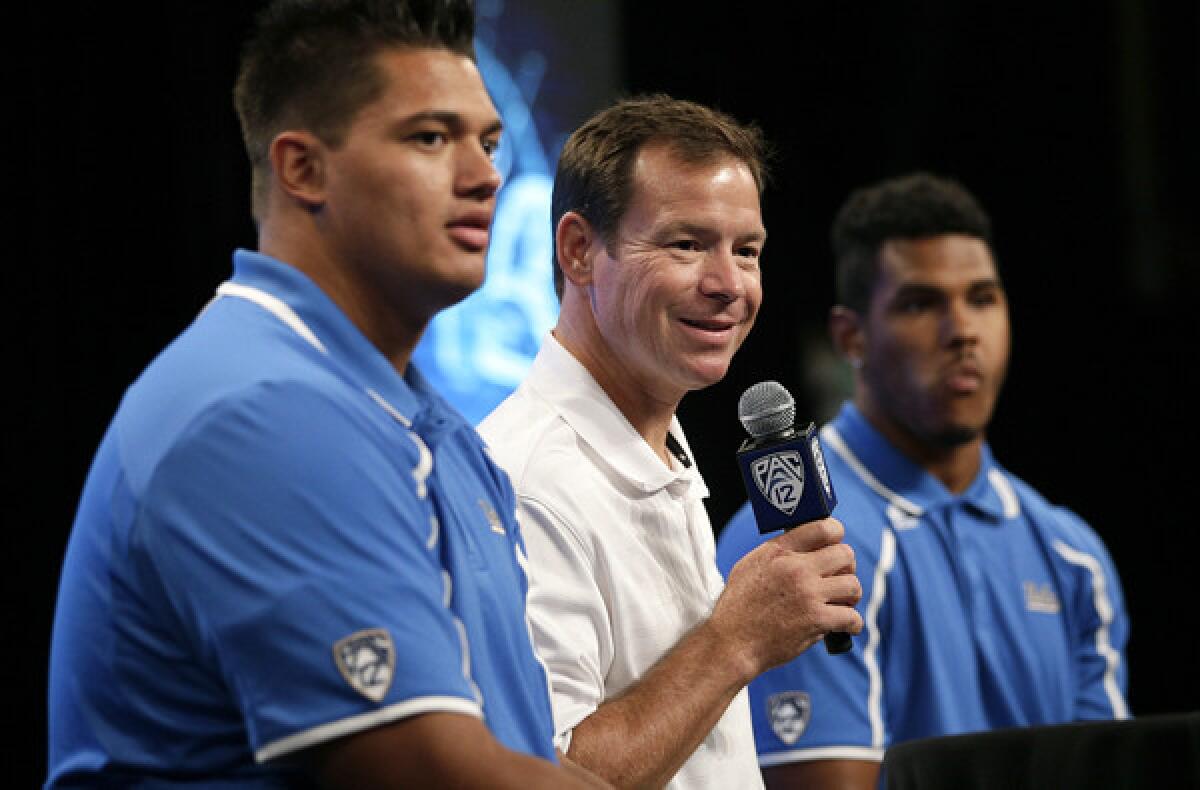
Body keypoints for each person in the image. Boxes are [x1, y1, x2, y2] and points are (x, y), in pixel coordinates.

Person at [44, 1, 609, 787]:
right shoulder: (259, 411)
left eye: (488, 141)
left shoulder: (433, 427)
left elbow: (517, 754)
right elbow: (434, 777)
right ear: (302, 168)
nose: (486, 177)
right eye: (430, 137)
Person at [477, 94, 864, 789]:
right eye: (687, 244)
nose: (727, 285)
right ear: (578, 250)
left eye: (746, 251)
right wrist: (735, 641)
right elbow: (547, 774)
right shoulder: (529, 481)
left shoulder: (661, 445)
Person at [716, 171, 1131, 789]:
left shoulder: (1073, 553)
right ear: (850, 337)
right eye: (921, 303)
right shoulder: (790, 538)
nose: (963, 331)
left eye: (983, 298)